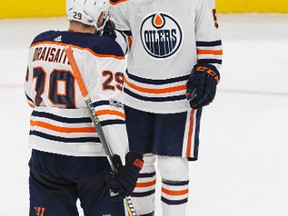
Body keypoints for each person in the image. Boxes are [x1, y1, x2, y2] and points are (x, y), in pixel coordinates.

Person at [24, 0, 143, 215]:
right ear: (99, 17)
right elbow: (108, 112)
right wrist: (128, 160)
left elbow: (31, 98)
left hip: (45, 156)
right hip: (92, 161)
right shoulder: (105, 49)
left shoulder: (39, 43)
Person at [110, 0, 223, 215]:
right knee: (138, 162)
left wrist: (208, 70)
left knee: (173, 164)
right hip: (136, 95)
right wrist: (111, 38)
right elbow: (123, 39)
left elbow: (210, 42)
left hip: (179, 97)